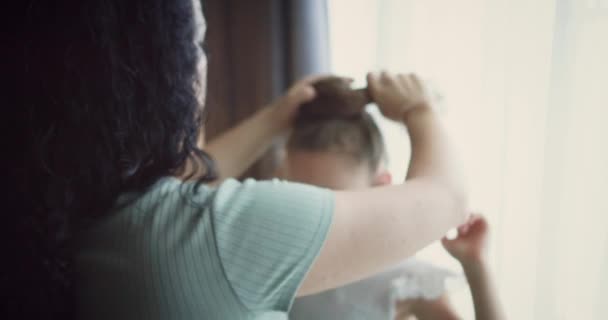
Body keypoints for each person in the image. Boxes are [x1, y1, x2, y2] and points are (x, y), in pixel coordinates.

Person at [6, 0, 467, 319]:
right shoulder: (215, 240)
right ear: (157, 73)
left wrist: (276, 117)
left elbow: (183, 192)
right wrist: (419, 108)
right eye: (197, 48)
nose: (202, 65)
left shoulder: (80, 219)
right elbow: (447, 198)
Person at [281, 112, 505, 320]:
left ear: (381, 188)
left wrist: (476, 267)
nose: (312, 219)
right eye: (298, 199)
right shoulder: (280, 263)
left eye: (334, 202)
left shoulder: (403, 278)